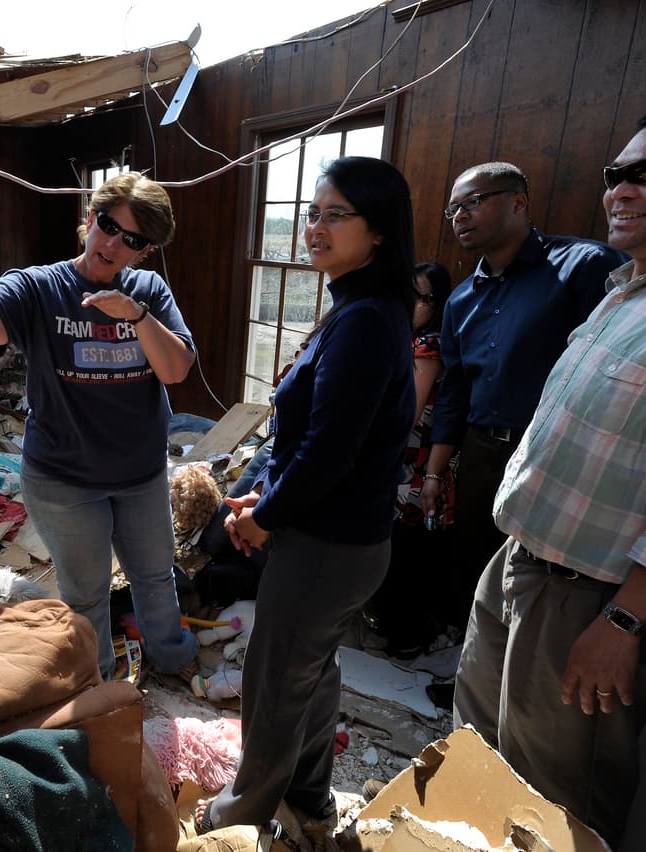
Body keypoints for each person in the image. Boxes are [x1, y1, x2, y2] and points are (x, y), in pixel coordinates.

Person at [453, 96, 646, 846]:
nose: (621, 189)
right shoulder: (630, 292)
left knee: (551, 807)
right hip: (521, 564)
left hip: (590, 603)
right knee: (475, 758)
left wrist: (623, 621)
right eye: (617, 173)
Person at [0, 172, 199, 681]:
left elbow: (175, 369)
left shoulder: (147, 291)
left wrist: (135, 316)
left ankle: (174, 657)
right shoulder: (43, 288)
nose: (112, 243)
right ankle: (99, 685)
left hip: (140, 474)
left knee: (156, 576)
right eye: (107, 224)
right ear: (90, 218)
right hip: (66, 480)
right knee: (86, 592)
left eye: (131, 238)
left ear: (145, 249)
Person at [195, 156, 417, 846]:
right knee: (310, 669)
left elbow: (330, 452)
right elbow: (325, 442)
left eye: (335, 214)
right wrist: (270, 491)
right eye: (312, 213)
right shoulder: (360, 308)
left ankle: (241, 813)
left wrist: (264, 518)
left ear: (378, 231)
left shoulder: (364, 321)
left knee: (277, 680)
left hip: (329, 544)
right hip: (342, 537)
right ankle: (311, 798)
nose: (315, 227)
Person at [419, 162, 625, 629]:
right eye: (453, 208)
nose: (459, 216)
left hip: (559, 456)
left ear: (518, 202)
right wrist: (435, 474)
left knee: (540, 578)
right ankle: (468, 679)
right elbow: (455, 389)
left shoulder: (585, 268)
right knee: (475, 562)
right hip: (482, 452)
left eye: (472, 202)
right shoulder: (460, 301)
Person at [370, 261, 457, 658]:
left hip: (416, 464)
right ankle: (395, 630)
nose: (413, 304)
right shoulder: (405, 339)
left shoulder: (429, 346)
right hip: (397, 459)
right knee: (392, 549)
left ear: (436, 304)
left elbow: (407, 411)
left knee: (404, 554)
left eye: (423, 298)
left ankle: (407, 637)